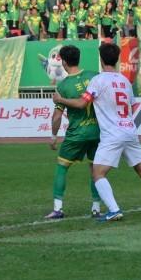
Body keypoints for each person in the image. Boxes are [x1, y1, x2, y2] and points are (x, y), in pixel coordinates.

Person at [53, 43, 141, 222]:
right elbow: (134, 106)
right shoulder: (124, 81)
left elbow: (82, 103)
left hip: (112, 134)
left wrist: (60, 99)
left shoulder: (98, 80)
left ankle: (114, 210)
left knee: (97, 173)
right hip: (130, 131)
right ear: (116, 60)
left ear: (101, 59)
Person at [45, 45, 102, 219]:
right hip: (98, 132)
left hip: (76, 133)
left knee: (62, 167)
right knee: (95, 169)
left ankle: (58, 208)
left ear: (63, 61)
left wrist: (53, 137)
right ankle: (96, 207)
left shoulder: (63, 86)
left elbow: (57, 117)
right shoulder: (94, 76)